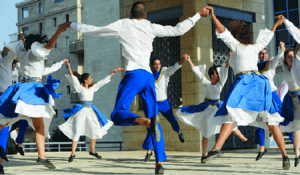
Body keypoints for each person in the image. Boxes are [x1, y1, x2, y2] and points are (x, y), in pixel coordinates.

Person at [62, 2, 210, 174]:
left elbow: (95, 30)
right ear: (145, 16)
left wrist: (72, 24)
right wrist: (198, 14)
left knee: (118, 114)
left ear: (131, 15)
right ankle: (159, 163)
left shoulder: (123, 24)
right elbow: (177, 29)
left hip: (133, 75)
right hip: (148, 78)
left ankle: (145, 122)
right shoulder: (151, 26)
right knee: (155, 119)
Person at [204, 6, 289, 170]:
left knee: (231, 113)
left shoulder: (236, 46)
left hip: (245, 82)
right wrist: (276, 24)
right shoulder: (254, 47)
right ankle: (285, 155)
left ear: (236, 35)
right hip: (259, 83)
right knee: (270, 120)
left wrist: (213, 16)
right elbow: (267, 38)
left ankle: (217, 148)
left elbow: (222, 32)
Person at [0, 24, 66, 170]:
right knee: (39, 126)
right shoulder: (34, 54)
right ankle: (41, 157)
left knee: (3, 123)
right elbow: (49, 45)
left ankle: (41, 157)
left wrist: (21, 39)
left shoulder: (21, 52)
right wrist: (58, 32)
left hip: (19, 89)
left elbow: (13, 47)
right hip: (32, 91)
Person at [176, 54, 250, 163]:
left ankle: (243, 139)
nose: (219, 74)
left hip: (218, 107)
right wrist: (189, 61)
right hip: (207, 109)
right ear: (212, 75)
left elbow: (225, 70)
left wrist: (229, 58)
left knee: (230, 120)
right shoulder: (206, 83)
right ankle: (203, 154)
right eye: (216, 72)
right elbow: (197, 72)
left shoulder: (220, 83)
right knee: (206, 133)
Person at [59, 62, 121, 163]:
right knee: (77, 131)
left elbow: (102, 82)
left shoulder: (93, 88)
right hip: (82, 111)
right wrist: (69, 66)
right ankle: (73, 153)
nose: (92, 79)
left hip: (91, 110)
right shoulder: (79, 88)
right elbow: (73, 78)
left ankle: (92, 151)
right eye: (90, 78)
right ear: (85, 80)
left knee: (94, 129)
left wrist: (112, 73)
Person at [11, 58, 69, 157]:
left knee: (26, 121)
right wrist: (18, 61)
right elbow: (20, 65)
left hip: (33, 97)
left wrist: (61, 62)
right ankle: (18, 142)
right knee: (10, 121)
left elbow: (51, 68)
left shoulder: (39, 70)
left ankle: (20, 143)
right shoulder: (26, 67)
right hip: (24, 95)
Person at [143, 56, 185, 162]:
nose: (157, 66)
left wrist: (182, 60)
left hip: (164, 102)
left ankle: (179, 132)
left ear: (161, 64)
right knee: (152, 125)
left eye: (159, 64)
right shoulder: (149, 75)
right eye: (155, 64)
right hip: (154, 104)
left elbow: (175, 67)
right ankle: (149, 150)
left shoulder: (165, 72)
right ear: (152, 66)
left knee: (171, 119)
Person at [254, 42, 286, 161]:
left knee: (285, 118)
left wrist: (281, 48)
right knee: (260, 123)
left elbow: (278, 57)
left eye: (265, 53)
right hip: (261, 98)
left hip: (272, 96)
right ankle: (262, 148)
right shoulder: (255, 67)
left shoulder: (271, 63)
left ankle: (295, 145)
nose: (264, 55)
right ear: (258, 56)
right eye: (261, 54)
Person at [277, 48, 300, 167]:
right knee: (295, 128)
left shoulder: (298, 65)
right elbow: (279, 58)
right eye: (289, 56)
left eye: (293, 56)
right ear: (286, 59)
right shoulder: (286, 68)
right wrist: (281, 49)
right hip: (290, 99)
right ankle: (297, 154)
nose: (291, 58)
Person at [0, 47, 17, 174]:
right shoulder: (4, 62)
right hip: (3, 100)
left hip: (5, 100)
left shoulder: (6, 66)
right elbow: (13, 52)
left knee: (4, 131)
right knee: (3, 131)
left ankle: (0, 163)